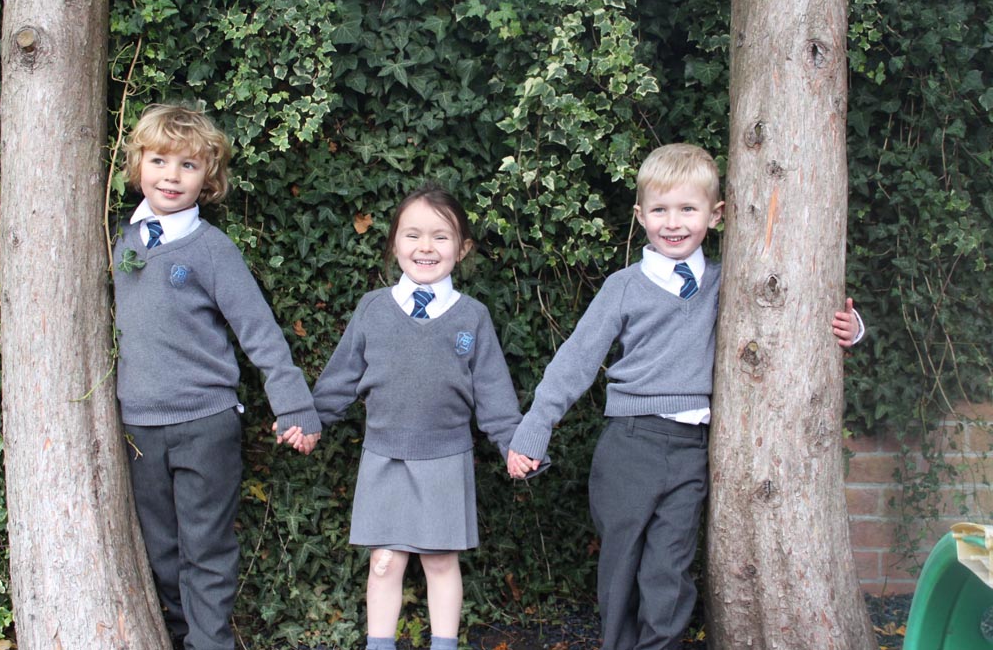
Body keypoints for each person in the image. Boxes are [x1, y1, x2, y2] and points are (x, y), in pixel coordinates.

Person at [507, 143, 861, 650]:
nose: (673, 223)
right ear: (640, 216)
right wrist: (534, 428)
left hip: (694, 450)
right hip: (630, 445)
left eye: (688, 209)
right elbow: (576, 360)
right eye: (660, 210)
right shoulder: (623, 287)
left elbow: (787, 318)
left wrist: (850, 329)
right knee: (621, 567)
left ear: (716, 215)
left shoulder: (729, 283)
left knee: (670, 572)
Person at [113, 104, 319, 650]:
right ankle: (185, 637)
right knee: (161, 549)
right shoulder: (120, 242)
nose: (171, 176)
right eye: (159, 161)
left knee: (204, 548)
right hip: (138, 428)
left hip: (204, 424)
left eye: (188, 165)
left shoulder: (211, 249)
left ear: (208, 177)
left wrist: (295, 406)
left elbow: (259, 331)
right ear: (137, 166)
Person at [310, 184, 542, 650]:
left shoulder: (472, 317)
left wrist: (515, 446)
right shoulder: (373, 309)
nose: (426, 247)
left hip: (445, 458)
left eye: (441, 236)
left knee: (439, 561)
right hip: (383, 456)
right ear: (394, 243)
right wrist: (308, 421)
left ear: (463, 248)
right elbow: (339, 380)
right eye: (413, 235)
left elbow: (494, 396)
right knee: (384, 563)